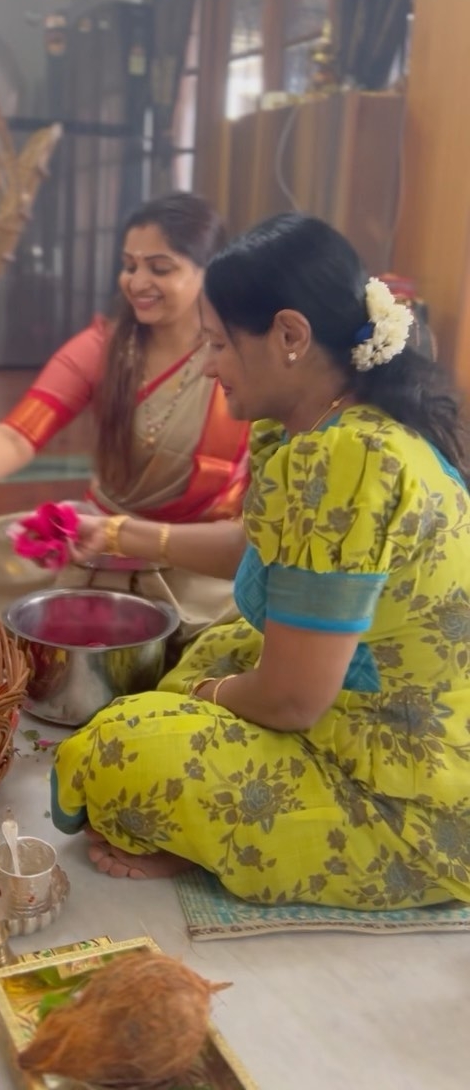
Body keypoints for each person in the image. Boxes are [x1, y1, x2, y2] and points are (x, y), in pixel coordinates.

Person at [52, 213, 470, 910]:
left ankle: (204, 831)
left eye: (217, 343)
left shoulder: (345, 457)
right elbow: (267, 552)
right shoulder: (344, 421)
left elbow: (291, 700)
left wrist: (201, 700)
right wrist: (124, 535)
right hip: (373, 705)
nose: (208, 364)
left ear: (290, 336)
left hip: (412, 787)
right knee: (212, 647)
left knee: (115, 752)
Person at [0, 193, 249, 633]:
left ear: (211, 272)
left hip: (194, 563)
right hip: (93, 543)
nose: (137, 281)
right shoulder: (104, 347)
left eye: (160, 268)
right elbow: (17, 435)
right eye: (130, 266)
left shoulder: (239, 360)